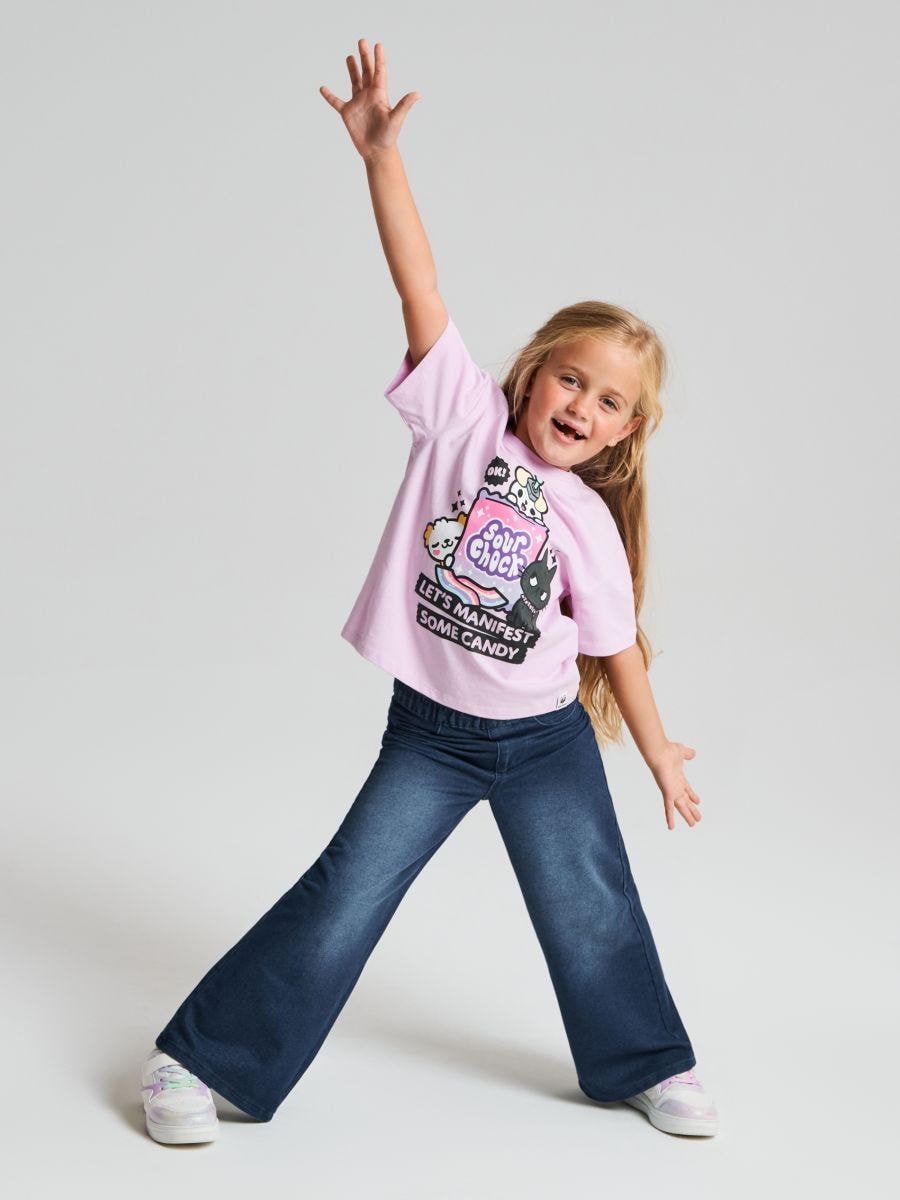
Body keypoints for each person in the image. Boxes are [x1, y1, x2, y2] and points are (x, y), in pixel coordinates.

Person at [140, 37, 718, 1145]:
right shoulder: (460, 418)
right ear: (533, 371)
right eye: (571, 379)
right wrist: (380, 160)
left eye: (608, 403)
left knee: (593, 905)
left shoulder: (589, 523)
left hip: (546, 741)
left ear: (626, 431)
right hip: (434, 734)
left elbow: (618, 644)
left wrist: (657, 752)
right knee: (347, 892)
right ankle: (196, 1061)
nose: (582, 406)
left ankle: (648, 1064)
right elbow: (422, 283)